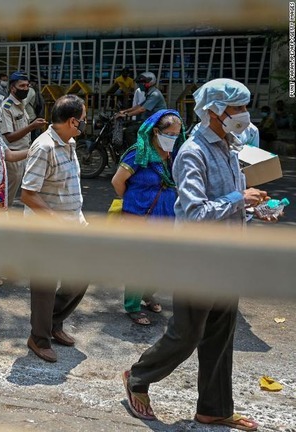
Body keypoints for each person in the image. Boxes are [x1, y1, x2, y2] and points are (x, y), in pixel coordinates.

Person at [122, 79, 270, 432]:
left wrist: (254, 210)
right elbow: (194, 213)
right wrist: (239, 199)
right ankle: (137, 377)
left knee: (221, 335)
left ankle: (213, 408)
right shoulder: (193, 153)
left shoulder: (229, 148)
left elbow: (228, 206)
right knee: (186, 334)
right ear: (215, 111)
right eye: (237, 109)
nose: (243, 115)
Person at [21, 94, 89, 363]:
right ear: (73, 121)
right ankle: (39, 338)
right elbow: (28, 194)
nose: (85, 124)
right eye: (83, 120)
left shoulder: (69, 142)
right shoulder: (44, 147)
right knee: (44, 286)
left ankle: (52, 323)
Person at [111, 109, 185, 325]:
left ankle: (147, 292)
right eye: (169, 134)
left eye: (176, 134)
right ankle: (132, 306)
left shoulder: (174, 155)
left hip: (167, 215)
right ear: (155, 132)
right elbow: (117, 181)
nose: (173, 138)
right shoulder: (139, 153)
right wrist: (135, 203)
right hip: (139, 216)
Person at [1, 71, 48, 207]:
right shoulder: (7, 107)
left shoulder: (21, 103)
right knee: (10, 192)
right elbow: (9, 137)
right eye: (22, 86)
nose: (26, 89)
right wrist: (32, 126)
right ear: (12, 88)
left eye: (27, 86)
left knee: (31, 190)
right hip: (13, 155)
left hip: (26, 153)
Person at [117, 72, 167, 147]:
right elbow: (139, 106)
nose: (140, 84)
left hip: (155, 123)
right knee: (129, 125)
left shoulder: (155, 94)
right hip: (150, 121)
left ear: (149, 82)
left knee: (129, 131)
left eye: (142, 82)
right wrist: (125, 111)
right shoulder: (150, 93)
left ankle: (136, 151)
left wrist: (126, 115)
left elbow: (142, 109)